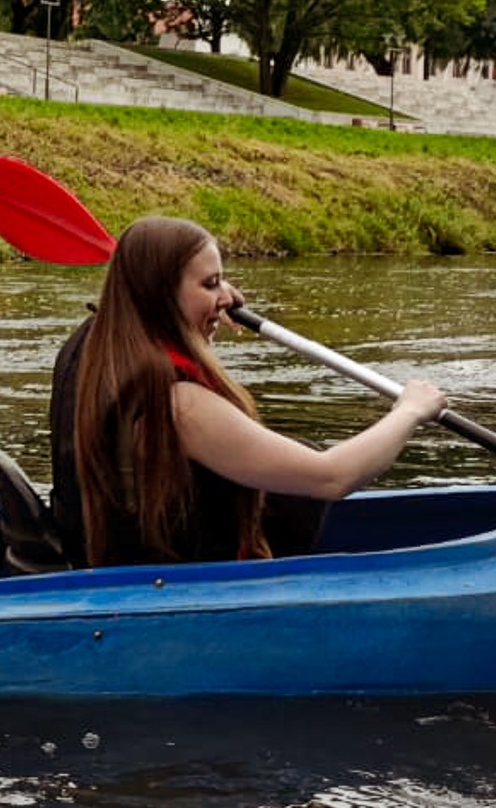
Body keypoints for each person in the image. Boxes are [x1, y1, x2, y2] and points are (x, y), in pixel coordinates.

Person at [48, 215, 448, 569]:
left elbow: (135, 305)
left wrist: (204, 299)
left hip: (114, 561)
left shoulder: (91, 351)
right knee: (303, 482)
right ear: (158, 294)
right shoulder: (181, 406)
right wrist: (409, 410)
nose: (226, 299)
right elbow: (332, 477)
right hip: (183, 594)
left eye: (221, 280)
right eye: (210, 283)